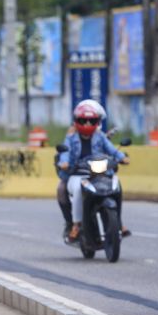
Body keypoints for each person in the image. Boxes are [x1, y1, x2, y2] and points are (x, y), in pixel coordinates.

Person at [58, 100, 129, 243]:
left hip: (99, 174)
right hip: (79, 175)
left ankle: (119, 222)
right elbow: (65, 152)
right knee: (78, 189)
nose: (88, 124)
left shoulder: (100, 136)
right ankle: (77, 225)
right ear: (77, 121)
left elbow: (112, 150)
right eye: (83, 121)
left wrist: (122, 157)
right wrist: (64, 163)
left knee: (116, 185)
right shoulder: (71, 137)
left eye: (92, 121)